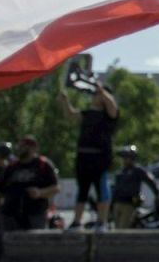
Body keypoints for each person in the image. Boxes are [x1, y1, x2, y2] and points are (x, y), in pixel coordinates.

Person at [58, 80, 118, 229]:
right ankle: (77, 221)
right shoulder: (88, 113)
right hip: (84, 156)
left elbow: (113, 107)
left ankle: (102, 221)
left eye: (97, 94)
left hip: (100, 157)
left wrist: (102, 91)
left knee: (101, 189)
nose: (94, 96)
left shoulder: (108, 115)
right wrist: (65, 101)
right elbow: (72, 115)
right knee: (82, 190)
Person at [0, 134, 59, 231]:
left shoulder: (43, 165)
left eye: (24, 146)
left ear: (33, 148)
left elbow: (56, 188)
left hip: (35, 214)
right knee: (8, 244)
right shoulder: (11, 167)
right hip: (10, 215)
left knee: (33, 243)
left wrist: (40, 193)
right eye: (20, 146)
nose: (20, 149)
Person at [110, 144, 159, 230]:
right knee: (116, 227)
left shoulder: (138, 171)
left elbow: (151, 182)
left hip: (129, 203)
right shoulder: (121, 172)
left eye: (127, 157)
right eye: (124, 157)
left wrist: (157, 194)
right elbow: (116, 188)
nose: (125, 159)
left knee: (123, 228)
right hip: (117, 203)